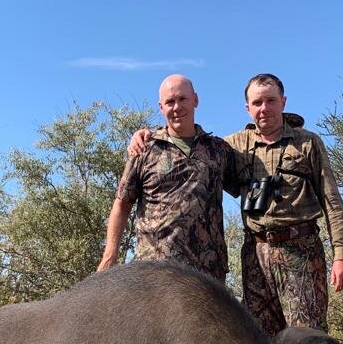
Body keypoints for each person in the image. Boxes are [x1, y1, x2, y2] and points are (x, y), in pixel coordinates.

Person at [128, 73, 343, 336]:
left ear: (283, 101)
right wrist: (145, 134)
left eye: (270, 100)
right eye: (257, 103)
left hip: (300, 251)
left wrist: (342, 255)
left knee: (307, 338)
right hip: (255, 254)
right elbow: (189, 147)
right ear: (248, 108)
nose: (264, 108)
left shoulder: (307, 143)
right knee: (261, 341)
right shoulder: (232, 146)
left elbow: (332, 201)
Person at [97, 74, 239, 281]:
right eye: (170, 102)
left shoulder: (219, 150)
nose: (177, 107)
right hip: (155, 272)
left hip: (208, 275)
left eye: (183, 99)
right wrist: (109, 256)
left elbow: (245, 184)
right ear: (161, 107)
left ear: (196, 100)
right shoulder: (145, 149)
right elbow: (122, 204)